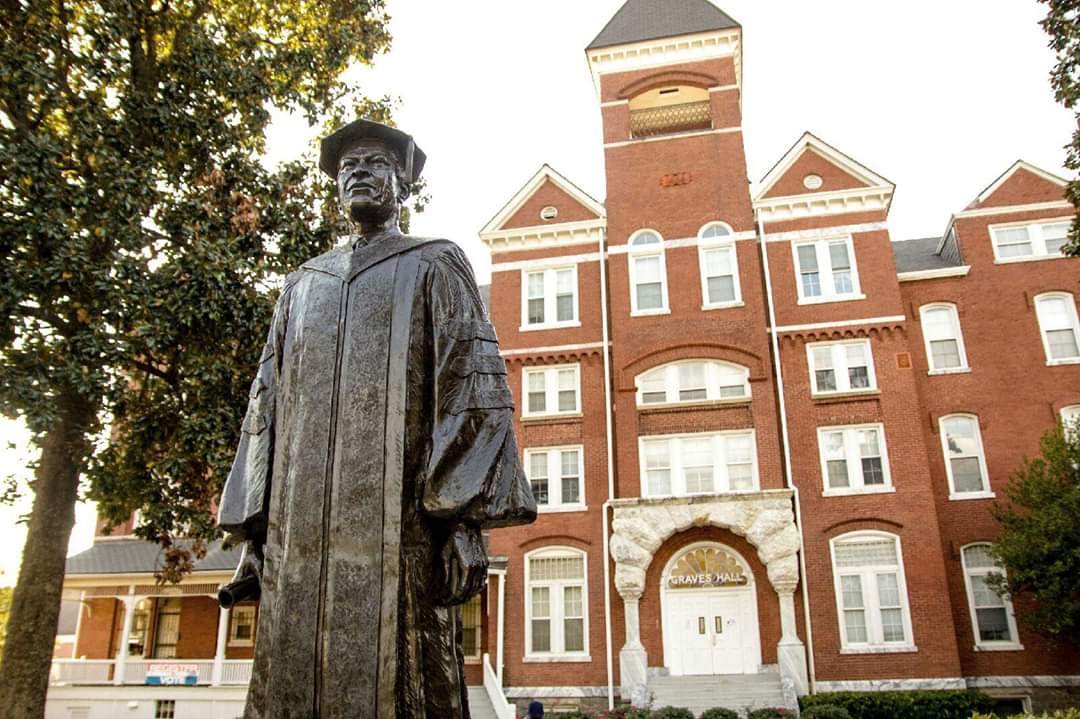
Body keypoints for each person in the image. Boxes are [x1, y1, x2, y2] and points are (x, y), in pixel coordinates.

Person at [217, 119, 537, 718]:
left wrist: (463, 525)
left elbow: (470, 391)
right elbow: (266, 407)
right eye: (346, 168)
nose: (357, 173)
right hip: (299, 543)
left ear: (403, 183)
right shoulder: (300, 288)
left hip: (404, 538)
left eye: (372, 162)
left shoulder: (435, 264)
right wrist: (255, 533)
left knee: (406, 688)